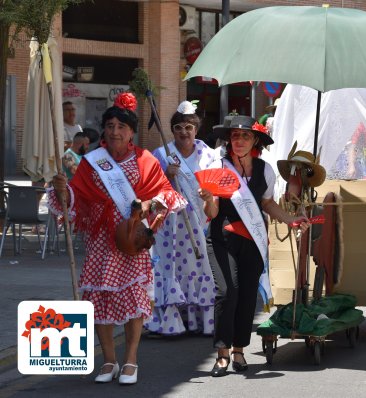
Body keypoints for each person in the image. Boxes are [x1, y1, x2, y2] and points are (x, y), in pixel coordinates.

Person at [49, 92, 186, 385]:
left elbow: (166, 193)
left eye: (121, 127)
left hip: (131, 240)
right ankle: (108, 359)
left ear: (131, 132)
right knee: (100, 301)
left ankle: (131, 359)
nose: (114, 131)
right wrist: (63, 190)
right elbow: (79, 196)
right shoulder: (91, 161)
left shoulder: (145, 160)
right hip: (101, 239)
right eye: (109, 126)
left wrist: (148, 206)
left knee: (132, 301)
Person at [200, 115, 310, 377]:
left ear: (255, 141)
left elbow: (267, 203)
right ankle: (223, 353)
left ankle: (239, 350)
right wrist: (207, 198)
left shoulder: (265, 170)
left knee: (248, 295)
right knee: (228, 292)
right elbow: (212, 211)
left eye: (245, 136)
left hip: (252, 240)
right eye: (235, 136)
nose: (239, 141)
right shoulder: (218, 166)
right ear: (228, 140)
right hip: (222, 239)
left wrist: (291, 220)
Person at [144, 100, 219, 336]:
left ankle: (198, 320)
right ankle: (170, 319)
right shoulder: (161, 155)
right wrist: (165, 176)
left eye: (188, 127)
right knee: (172, 268)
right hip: (170, 227)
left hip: (199, 224)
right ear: (172, 130)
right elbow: (150, 192)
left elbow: (214, 194)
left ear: (196, 129)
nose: (183, 132)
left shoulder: (209, 156)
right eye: (178, 128)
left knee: (197, 268)